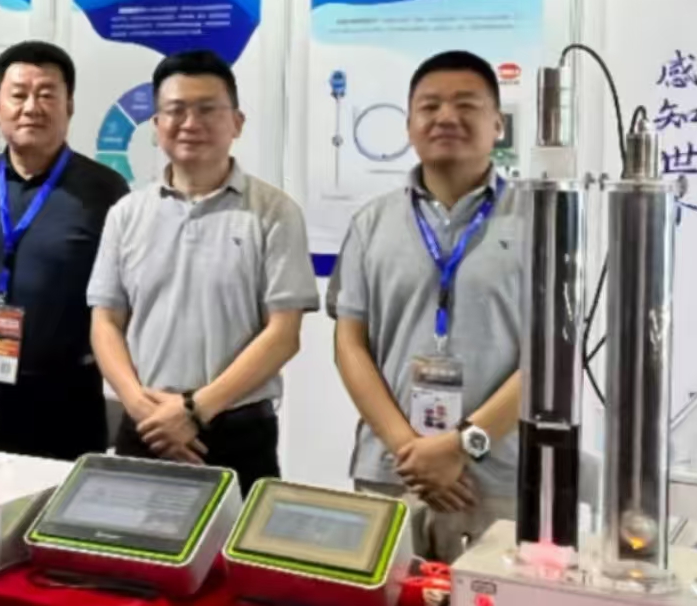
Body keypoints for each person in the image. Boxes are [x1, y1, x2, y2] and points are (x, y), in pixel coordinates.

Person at [89, 50, 318, 491]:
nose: (190, 123)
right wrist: (138, 405)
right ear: (156, 125)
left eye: (208, 109)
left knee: (237, 540)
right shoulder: (125, 214)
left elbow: (283, 334)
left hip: (237, 431)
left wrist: (195, 410)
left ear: (237, 122)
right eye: (176, 110)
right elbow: (106, 322)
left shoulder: (274, 213)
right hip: (146, 427)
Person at [328, 50, 525, 562]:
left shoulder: (541, 219)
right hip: (393, 473)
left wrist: (461, 445)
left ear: (498, 124)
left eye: (466, 105)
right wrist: (410, 450)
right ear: (410, 125)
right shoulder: (371, 224)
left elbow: (551, 359)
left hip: (497, 481)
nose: (446, 117)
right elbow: (350, 344)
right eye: (430, 106)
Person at [0, 40, 130, 460]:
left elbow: (121, 298)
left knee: (60, 501)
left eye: (46, 94)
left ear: (69, 106)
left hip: (66, 394)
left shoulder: (105, 189)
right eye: (18, 94)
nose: (31, 107)